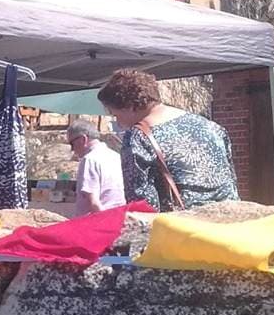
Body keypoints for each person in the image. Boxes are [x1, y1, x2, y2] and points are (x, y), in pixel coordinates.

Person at [96, 68, 238, 211]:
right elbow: (230, 182)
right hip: (229, 218)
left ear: (129, 106)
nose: (118, 123)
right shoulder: (211, 127)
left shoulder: (138, 137)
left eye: (115, 115)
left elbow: (142, 206)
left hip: (184, 222)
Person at [66, 119, 124, 215]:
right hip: (119, 216)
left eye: (72, 144)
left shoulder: (89, 160)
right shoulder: (116, 156)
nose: (72, 149)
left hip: (98, 220)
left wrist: (104, 220)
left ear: (83, 139)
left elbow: (93, 203)